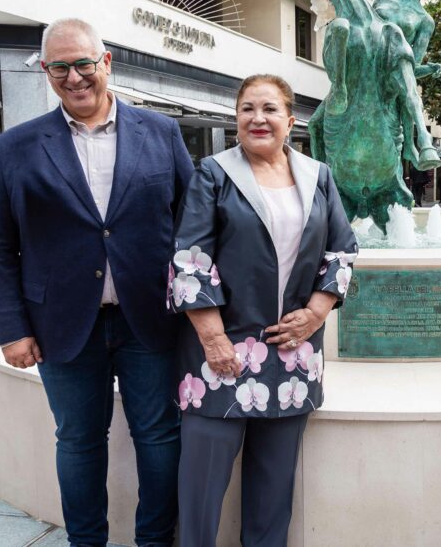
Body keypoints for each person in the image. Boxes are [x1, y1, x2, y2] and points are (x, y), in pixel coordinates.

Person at [0, 18, 190, 546]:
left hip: (150, 321)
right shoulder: (13, 149)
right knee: (77, 441)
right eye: (59, 67)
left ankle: (155, 541)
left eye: (83, 64)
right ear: (46, 71)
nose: (73, 78)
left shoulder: (161, 133)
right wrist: (10, 327)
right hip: (62, 325)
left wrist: (204, 313)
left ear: (106, 62)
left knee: (161, 438)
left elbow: (192, 224)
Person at [168, 74, 358, 546]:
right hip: (220, 356)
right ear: (236, 120)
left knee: (274, 489)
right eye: (248, 108)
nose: (258, 118)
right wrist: (213, 341)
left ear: (290, 120)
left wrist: (317, 310)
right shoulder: (213, 173)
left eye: (270, 109)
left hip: (293, 357)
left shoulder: (319, 176)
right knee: (202, 488)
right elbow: (190, 259)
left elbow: (343, 250)